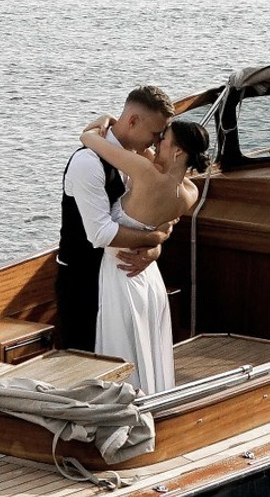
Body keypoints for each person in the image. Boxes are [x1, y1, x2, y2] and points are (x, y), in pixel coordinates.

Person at [80, 112, 211, 394]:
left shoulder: (144, 172)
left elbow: (88, 139)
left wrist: (105, 120)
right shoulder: (190, 191)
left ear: (177, 151)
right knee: (149, 347)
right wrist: (155, 245)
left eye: (163, 139)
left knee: (121, 350)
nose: (157, 142)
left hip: (122, 272)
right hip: (150, 277)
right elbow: (163, 229)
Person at [58, 86, 173, 354]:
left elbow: (162, 212)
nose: (157, 142)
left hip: (122, 284)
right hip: (85, 285)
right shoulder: (87, 163)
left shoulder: (138, 162)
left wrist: (155, 248)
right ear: (133, 120)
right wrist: (153, 238)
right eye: (155, 134)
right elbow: (100, 233)